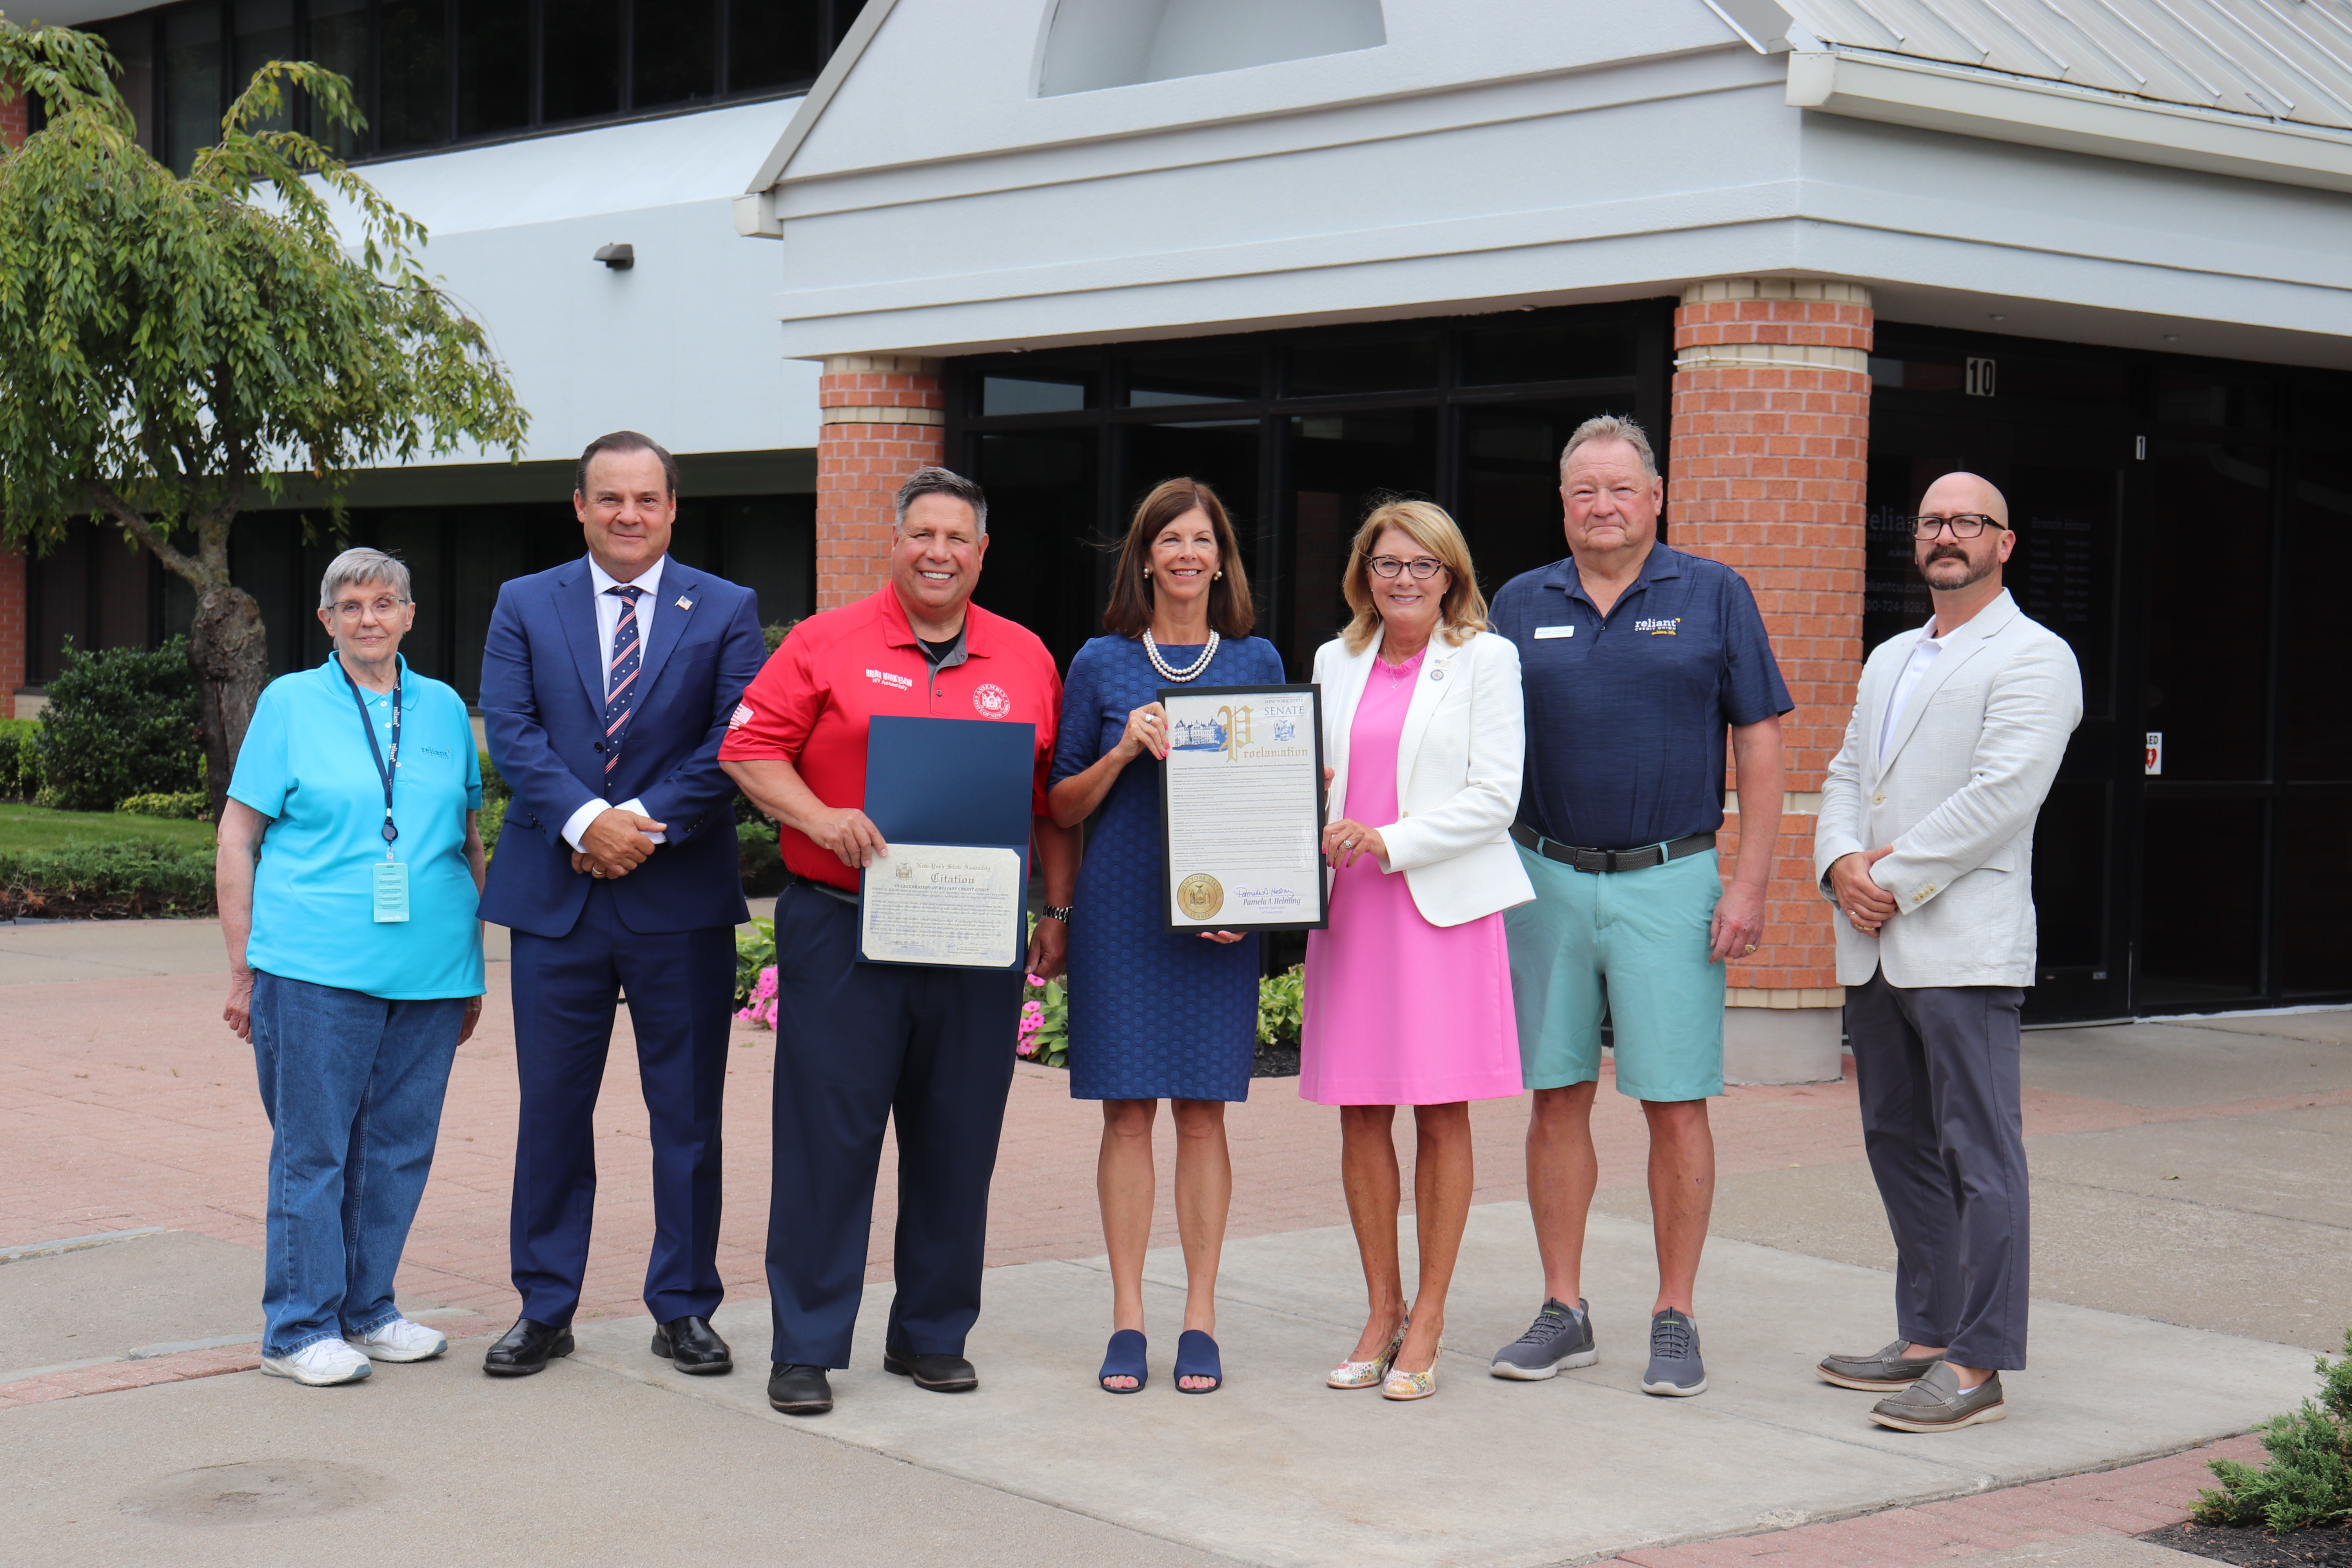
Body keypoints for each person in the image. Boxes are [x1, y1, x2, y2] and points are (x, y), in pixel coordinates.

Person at [720, 466, 1080, 1418]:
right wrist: (822, 814)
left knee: (959, 1139)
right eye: (923, 534)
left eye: (957, 538)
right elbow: (750, 749)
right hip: (841, 924)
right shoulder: (822, 641)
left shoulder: (1026, 656)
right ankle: (804, 1342)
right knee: (827, 1141)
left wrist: (1058, 910)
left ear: (982, 552)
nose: (939, 553)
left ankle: (931, 1331)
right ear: (896, 541)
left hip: (974, 933)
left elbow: (1048, 801)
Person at [1487, 414, 1791, 1398]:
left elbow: (1759, 745)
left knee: (1674, 1100)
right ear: (1563, 503)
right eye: (1584, 491)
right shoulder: (1519, 601)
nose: (1603, 506)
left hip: (1673, 878)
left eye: (1621, 488)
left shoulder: (1714, 593)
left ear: (1656, 497)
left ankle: (1675, 1313)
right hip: (1545, 876)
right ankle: (1563, 1308)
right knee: (1557, 1094)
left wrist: (1747, 882)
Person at [475, 430, 767, 1379]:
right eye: (611, 499)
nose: (629, 515)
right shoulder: (525, 602)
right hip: (556, 898)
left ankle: (683, 1306)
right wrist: (587, 822)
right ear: (581, 505)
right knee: (552, 1111)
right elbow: (512, 734)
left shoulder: (725, 607)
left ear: (673, 507)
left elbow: (738, 735)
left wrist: (635, 824)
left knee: (685, 1115)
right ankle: (545, 1304)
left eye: (646, 499)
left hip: (675, 895)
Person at [1813, 472, 2081, 1434]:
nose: (1948, 535)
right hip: (1877, 941)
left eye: (1970, 521)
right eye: (1933, 521)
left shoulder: (2037, 658)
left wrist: (1892, 875)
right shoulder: (1890, 655)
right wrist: (1840, 860)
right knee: (1899, 1143)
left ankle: (1978, 1361)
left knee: (1980, 1155)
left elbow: (2005, 793)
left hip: (1962, 945)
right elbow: (1848, 770)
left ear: (2004, 543)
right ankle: (1926, 1333)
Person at [218, 547, 487, 1387]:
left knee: (400, 1147)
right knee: (316, 1149)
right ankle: (297, 1328)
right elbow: (238, 834)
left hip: (431, 970)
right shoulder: (290, 701)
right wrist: (240, 967)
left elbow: (468, 839)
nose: (369, 617)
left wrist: (473, 962)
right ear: (328, 620)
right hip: (314, 965)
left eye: (386, 602)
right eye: (351, 604)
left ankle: (368, 1310)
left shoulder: (442, 708)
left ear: (410, 615)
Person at [1047, 477, 1284, 1397]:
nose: (1187, 554)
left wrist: (1256, 901)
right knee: (1127, 1112)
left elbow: (1273, 802)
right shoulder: (1102, 664)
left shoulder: (1258, 660)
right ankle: (1128, 1318)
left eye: (1203, 540)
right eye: (1169, 539)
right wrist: (1121, 748)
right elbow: (1061, 805)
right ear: (1145, 556)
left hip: (1216, 920)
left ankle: (1201, 1316)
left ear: (1221, 559)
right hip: (1120, 910)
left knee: (1202, 1112)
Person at [1303, 499, 1532, 1402]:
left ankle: (1429, 1312)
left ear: (1451, 576)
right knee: (1360, 1110)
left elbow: (1495, 797)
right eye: (1388, 563)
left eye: (1423, 566)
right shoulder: (1333, 658)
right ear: (1364, 570)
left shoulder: (1486, 658)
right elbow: (1307, 778)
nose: (1404, 579)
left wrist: (1388, 839)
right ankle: (1380, 1306)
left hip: (1436, 906)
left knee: (1441, 1112)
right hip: (1353, 909)